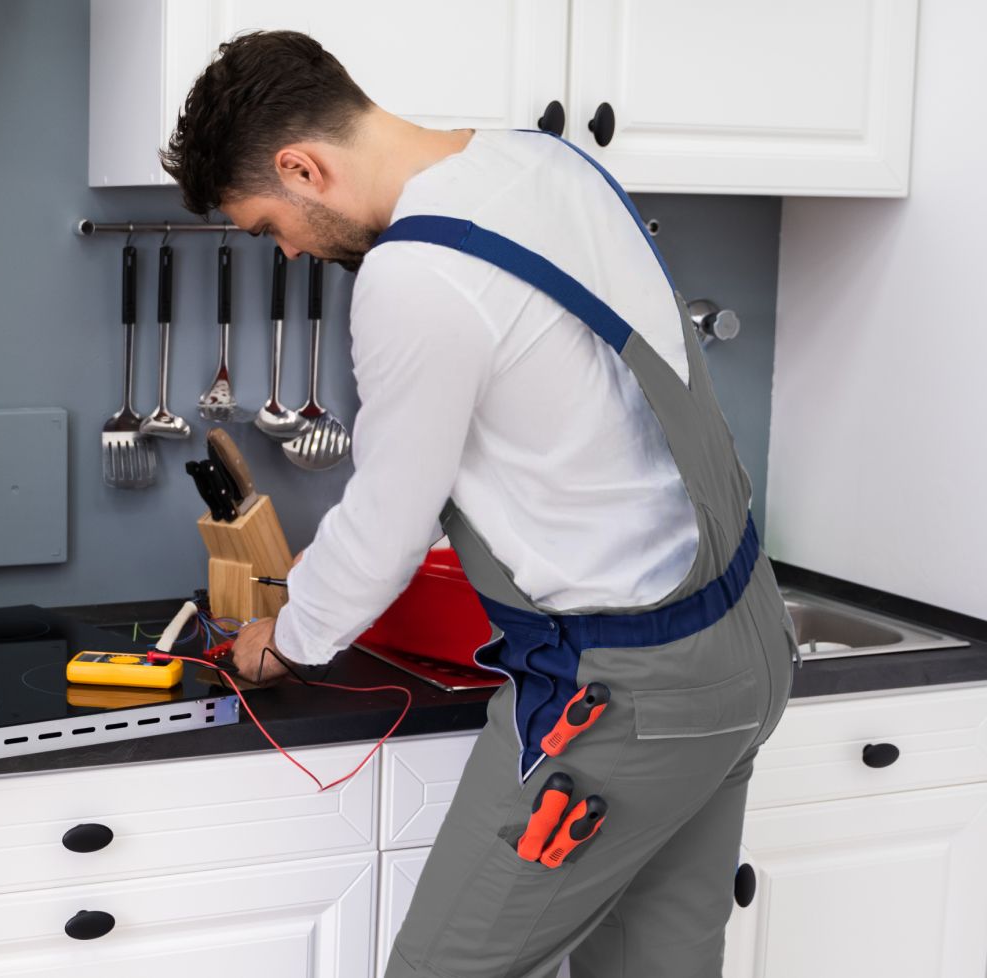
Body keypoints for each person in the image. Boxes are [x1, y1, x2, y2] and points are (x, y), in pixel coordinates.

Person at [161, 29, 796, 978]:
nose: (286, 254)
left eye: (267, 226)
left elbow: (387, 519)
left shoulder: (415, 276)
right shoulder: (546, 162)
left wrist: (285, 637)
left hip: (625, 699)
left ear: (302, 166)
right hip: (745, 651)